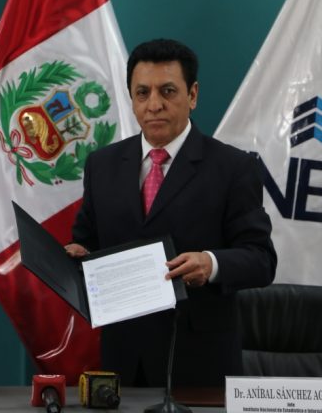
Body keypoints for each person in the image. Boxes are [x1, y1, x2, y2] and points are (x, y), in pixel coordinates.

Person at [66, 38, 277, 387]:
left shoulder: (234, 168)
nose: (154, 105)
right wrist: (76, 254)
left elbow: (262, 260)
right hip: (122, 359)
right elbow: (87, 241)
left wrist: (211, 263)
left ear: (192, 95)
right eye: (142, 93)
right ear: (131, 98)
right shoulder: (102, 165)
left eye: (167, 91)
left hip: (199, 364)